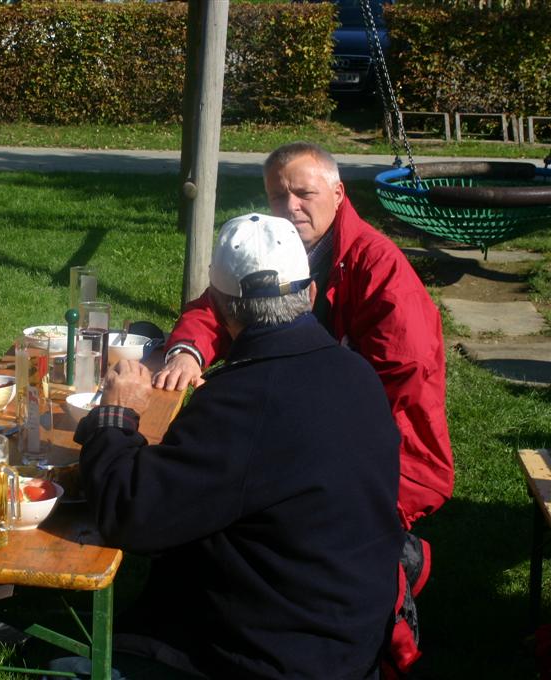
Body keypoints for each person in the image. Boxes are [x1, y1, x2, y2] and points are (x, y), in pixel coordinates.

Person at [75, 213, 404, 679]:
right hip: (353, 634)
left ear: (224, 309)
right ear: (310, 293)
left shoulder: (244, 399)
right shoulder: (357, 374)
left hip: (272, 655)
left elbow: (128, 514)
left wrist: (116, 414)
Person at [154, 141, 453, 531]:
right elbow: (219, 303)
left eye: (304, 193)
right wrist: (187, 350)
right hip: (306, 422)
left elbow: (402, 388)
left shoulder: (382, 272)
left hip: (384, 453)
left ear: (338, 194)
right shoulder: (278, 248)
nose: (290, 206)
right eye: (278, 195)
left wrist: (335, 448)